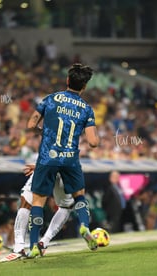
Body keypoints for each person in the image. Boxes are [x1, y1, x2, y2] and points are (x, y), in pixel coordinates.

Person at [26, 63, 100, 257]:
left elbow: (31, 123)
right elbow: (93, 142)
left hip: (47, 157)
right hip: (70, 159)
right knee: (79, 196)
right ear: (84, 87)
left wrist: (45, 130)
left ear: (67, 81)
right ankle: (84, 226)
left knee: (38, 202)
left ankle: (34, 245)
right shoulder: (86, 109)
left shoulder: (50, 99)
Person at [0, 164, 74, 262]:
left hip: (48, 167)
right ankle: (42, 243)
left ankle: (19, 248)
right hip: (64, 170)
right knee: (65, 207)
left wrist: (41, 166)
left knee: (26, 203)